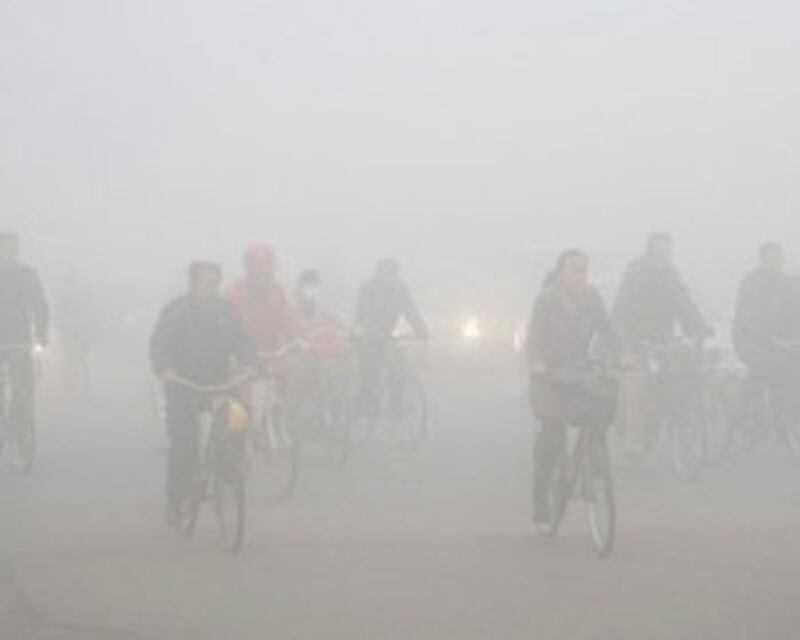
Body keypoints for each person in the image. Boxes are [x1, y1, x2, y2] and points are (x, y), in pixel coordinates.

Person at [150, 262, 256, 525]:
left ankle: (230, 466)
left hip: (218, 385)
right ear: (193, 284)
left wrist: (251, 364)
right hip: (183, 386)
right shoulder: (176, 311)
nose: (211, 288)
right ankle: (176, 500)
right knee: (184, 443)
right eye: (206, 282)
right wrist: (165, 369)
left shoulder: (226, 311)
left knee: (238, 417)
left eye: (215, 282)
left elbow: (243, 342)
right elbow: (159, 344)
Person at [527, 249, 619, 524]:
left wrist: (623, 355)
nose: (581, 277)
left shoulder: (593, 298)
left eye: (584, 271)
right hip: (549, 377)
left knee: (603, 405)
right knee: (553, 433)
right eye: (574, 271)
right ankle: (541, 494)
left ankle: (595, 461)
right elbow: (534, 338)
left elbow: (610, 329)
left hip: (579, 374)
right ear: (560, 273)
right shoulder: (545, 300)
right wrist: (538, 363)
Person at [612, 232, 710, 454]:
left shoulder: (671, 274)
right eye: (660, 252)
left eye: (668, 253)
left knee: (681, 372)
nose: (664, 258)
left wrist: (697, 326)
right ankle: (633, 442)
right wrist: (631, 338)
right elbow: (623, 309)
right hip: (633, 339)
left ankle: (674, 414)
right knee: (639, 386)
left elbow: (684, 302)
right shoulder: (636, 272)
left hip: (661, 338)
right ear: (649, 252)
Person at [732, 242, 795, 434]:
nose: (778, 264)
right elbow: (748, 314)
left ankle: (782, 421)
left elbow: (794, 311)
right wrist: (766, 334)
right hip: (749, 339)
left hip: (778, 341)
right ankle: (743, 409)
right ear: (763, 260)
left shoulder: (786, 282)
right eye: (773, 259)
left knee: (788, 373)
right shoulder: (751, 281)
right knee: (764, 370)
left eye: (780, 260)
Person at [353, 259, 428, 416]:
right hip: (367, 336)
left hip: (387, 336)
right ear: (378, 273)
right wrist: (371, 331)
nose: (390, 277)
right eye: (387, 273)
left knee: (399, 368)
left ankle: (396, 405)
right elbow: (363, 314)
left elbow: (411, 311)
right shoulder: (368, 289)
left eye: (393, 273)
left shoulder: (401, 290)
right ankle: (364, 403)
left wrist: (422, 330)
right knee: (370, 370)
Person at [0, 233, 49, 450]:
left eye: (13, 249)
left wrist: (41, 332)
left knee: (24, 388)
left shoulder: (27, 275)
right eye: (5, 249)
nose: (9, 253)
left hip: (19, 339)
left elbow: (40, 304)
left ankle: (18, 425)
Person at [225, 244, 299, 354]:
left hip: (272, 357)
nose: (264, 277)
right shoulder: (233, 295)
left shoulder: (279, 294)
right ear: (249, 271)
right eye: (258, 273)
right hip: (239, 357)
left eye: (268, 273)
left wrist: (296, 343)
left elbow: (291, 326)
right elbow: (225, 332)